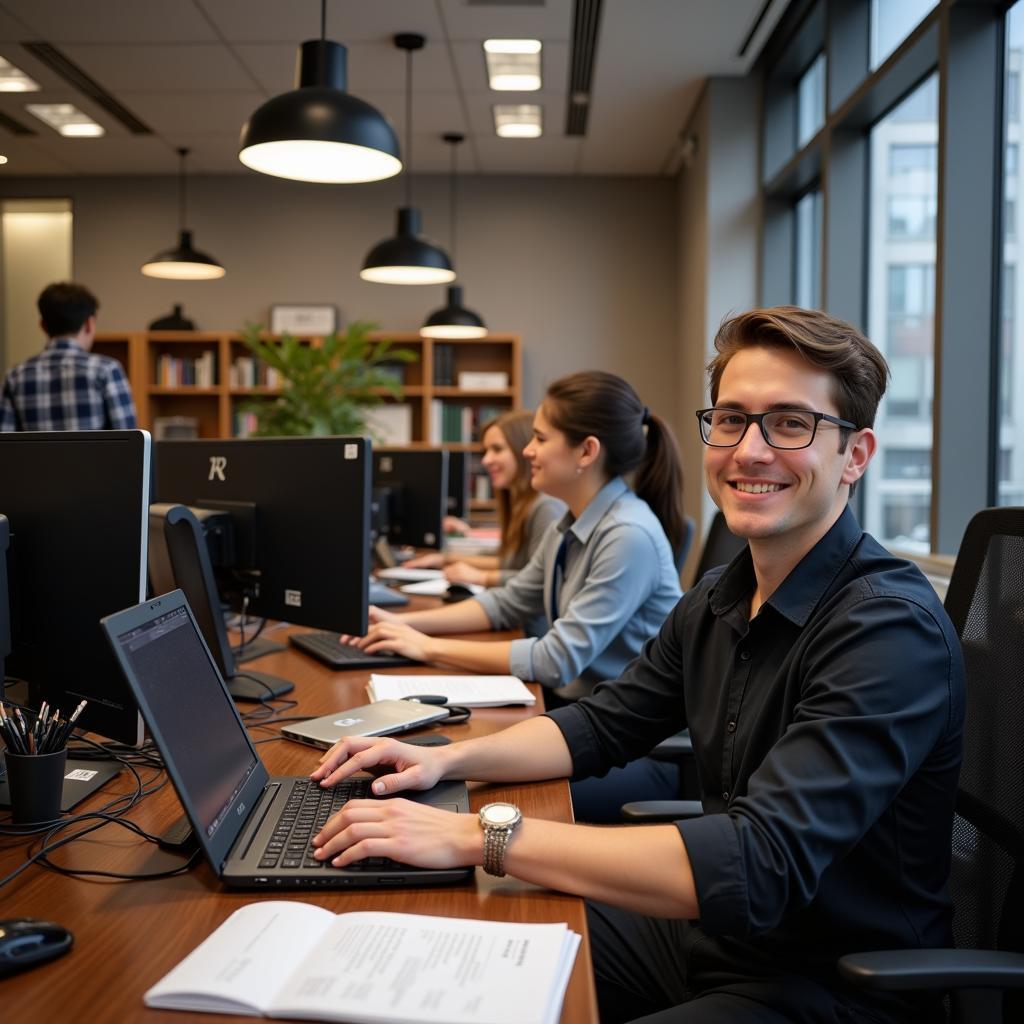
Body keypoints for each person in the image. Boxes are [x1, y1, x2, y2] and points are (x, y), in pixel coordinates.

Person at [312, 307, 965, 1024]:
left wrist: (479, 834)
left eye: (790, 423)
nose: (749, 450)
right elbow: (599, 725)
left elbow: (759, 862)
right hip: (711, 939)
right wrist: (443, 763)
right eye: (731, 419)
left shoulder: (887, 627)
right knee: (431, 956)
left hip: (831, 985)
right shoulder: (720, 596)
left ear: (856, 455)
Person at [342, 370, 686, 704]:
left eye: (541, 438)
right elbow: (509, 601)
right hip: (585, 706)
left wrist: (426, 646)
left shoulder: (628, 536)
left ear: (586, 452)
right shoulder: (570, 523)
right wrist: (402, 623)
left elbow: (556, 660)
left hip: (629, 733)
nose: (527, 451)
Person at [406, 410, 566, 591]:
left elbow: (540, 579)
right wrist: (446, 559)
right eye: (485, 451)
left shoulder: (546, 506)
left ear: (523, 449)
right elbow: (506, 560)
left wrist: (481, 577)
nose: (486, 460)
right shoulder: (519, 504)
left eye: (497, 449)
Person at [0, 281, 137, 432]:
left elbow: (5, 444)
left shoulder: (15, 376)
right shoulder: (106, 370)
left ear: (42, 326)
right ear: (89, 324)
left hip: (35, 457)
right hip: (93, 457)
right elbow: (129, 443)